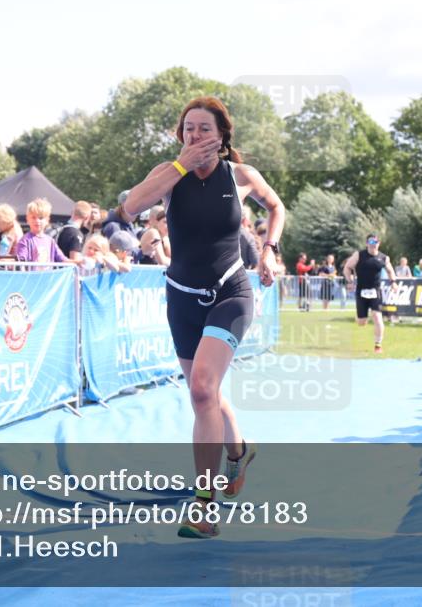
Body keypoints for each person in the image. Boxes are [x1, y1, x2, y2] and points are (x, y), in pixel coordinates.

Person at [124, 96, 285, 539]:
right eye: (188, 129)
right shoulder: (168, 174)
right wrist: (179, 165)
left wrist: (270, 251)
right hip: (181, 297)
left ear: (222, 136)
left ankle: (203, 505)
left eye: (204, 129)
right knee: (207, 396)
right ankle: (239, 451)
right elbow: (130, 208)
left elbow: (277, 207)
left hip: (231, 292)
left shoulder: (241, 176)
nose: (195, 136)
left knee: (201, 390)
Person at [342, 234, 398, 354]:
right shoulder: (359, 255)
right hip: (361, 291)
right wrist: (350, 281)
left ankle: (378, 345)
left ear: (379, 244)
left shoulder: (384, 258)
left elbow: (390, 270)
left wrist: (393, 282)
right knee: (362, 322)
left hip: (376, 291)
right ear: (367, 243)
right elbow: (347, 267)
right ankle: (360, 317)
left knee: (377, 317)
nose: (373, 246)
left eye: (375, 243)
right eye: (370, 243)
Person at [15, 198, 71, 264]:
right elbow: (20, 262)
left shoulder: (50, 241)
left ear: (47, 220)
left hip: (48, 274)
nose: (37, 221)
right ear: (27, 219)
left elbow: (63, 259)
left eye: (41, 218)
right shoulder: (25, 241)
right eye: (33, 217)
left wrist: (78, 262)